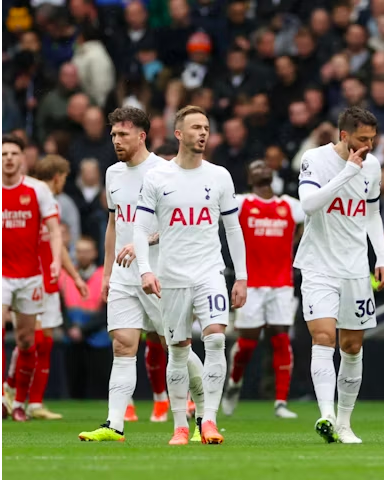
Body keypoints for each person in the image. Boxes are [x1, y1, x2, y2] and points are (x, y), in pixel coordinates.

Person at [78, 107, 205, 442]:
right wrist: (106, 275)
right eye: (113, 135)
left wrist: (142, 241)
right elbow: (112, 224)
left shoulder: (166, 171)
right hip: (123, 277)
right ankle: (114, 425)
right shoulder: (113, 173)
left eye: (123, 135)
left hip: (161, 275)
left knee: (175, 346)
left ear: (141, 136)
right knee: (122, 345)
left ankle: (205, 413)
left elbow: (178, 223)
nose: (116, 141)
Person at [133, 105, 248, 445]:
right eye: (196, 127)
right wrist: (145, 270)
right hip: (171, 276)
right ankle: (180, 426)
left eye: (207, 128)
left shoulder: (219, 176)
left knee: (215, 338)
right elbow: (139, 228)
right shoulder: (157, 178)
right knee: (179, 350)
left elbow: (233, 228)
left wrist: (240, 276)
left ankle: (208, 421)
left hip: (210, 271)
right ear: (178, 134)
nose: (203, 133)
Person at [294, 106, 384, 444]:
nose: (369, 146)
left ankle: (346, 422)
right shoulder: (314, 160)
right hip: (318, 265)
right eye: (362, 139)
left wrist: (382, 255)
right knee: (323, 337)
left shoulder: (373, 166)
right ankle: (327, 415)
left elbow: (372, 213)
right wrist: (348, 171)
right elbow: (308, 204)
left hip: (355, 268)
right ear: (344, 135)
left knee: (352, 346)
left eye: (372, 140)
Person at [4, 155, 89, 420]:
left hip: (46, 282)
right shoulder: (31, 200)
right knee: (32, 339)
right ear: (57, 177)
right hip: (26, 279)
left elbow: (59, 246)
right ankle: (11, 388)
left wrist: (72, 276)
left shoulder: (50, 205)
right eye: (64, 177)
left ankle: (33, 402)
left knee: (45, 342)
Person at [222, 160, 304, 419]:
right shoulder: (242, 202)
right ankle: (234, 384)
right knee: (246, 344)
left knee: (281, 339)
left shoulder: (289, 205)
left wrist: (296, 239)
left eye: (265, 167)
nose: (261, 169)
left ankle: (280, 402)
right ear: (249, 178)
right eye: (255, 167)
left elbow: (311, 219)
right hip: (252, 284)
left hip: (281, 283)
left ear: (272, 174)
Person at [2, 135, 62, 422]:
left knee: (27, 341)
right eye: (4, 154)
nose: (9, 158)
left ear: (23, 158)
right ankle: (3, 393)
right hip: (2, 274)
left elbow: (53, 228)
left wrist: (57, 262)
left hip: (29, 276)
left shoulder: (37, 190)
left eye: (14, 153)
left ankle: (19, 404)